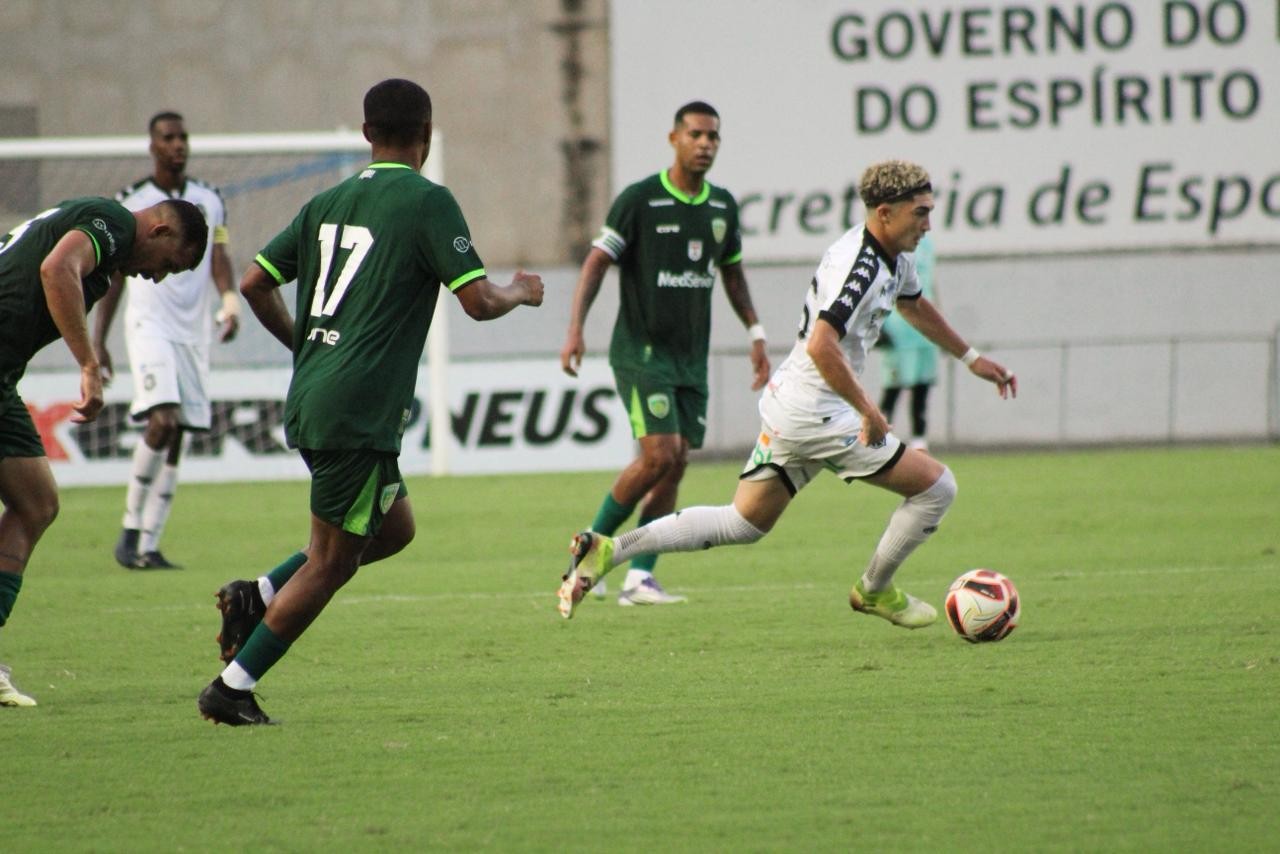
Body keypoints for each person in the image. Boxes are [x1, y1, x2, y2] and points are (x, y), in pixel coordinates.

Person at [197, 78, 544, 726]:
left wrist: (308, 348)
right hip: (357, 410)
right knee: (332, 563)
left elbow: (252, 282)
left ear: (365, 134)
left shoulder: (325, 202)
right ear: (427, 132)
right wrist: (520, 289)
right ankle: (232, 688)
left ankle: (258, 594)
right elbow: (477, 302)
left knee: (394, 527)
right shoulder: (427, 202)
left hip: (314, 395)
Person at [557, 159, 1016, 625]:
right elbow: (822, 344)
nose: (927, 223)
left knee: (741, 523)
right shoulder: (858, 267)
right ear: (884, 213)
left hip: (795, 404)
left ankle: (610, 550)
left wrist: (972, 358)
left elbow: (914, 305)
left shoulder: (893, 257)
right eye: (919, 212)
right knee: (937, 487)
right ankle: (874, 590)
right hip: (818, 413)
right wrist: (868, 409)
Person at [559, 101, 770, 607]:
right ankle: (587, 553)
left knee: (675, 463)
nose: (705, 144)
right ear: (673, 138)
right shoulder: (640, 201)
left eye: (713, 137)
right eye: (695, 134)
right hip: (641, 352)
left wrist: (756, 331)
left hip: (689, 359)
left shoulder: (722, 207)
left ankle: (640, 578)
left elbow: (732, 274)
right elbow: (595, 263)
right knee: (657, 455)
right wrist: (575, 329)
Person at [0, 196, 208, 705]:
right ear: (158, 231)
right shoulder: (112, 221)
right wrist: (89, 365)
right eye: (168, 265)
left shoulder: (108, 260)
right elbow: (56, 269)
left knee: (36, 504)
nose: (158, 279)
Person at [93, 111, 240, 570]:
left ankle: (150, 544)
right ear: (152, 146)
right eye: (168, 137)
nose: (178, 144)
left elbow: (218, 255)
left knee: (179, 434)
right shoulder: (132, 202)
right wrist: (99, 340)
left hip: (193, 333)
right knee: (162, 420)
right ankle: (130, 529)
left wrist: (230, 299)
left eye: (183, 137)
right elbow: (117, 273)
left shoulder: (210, 200)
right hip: (149, 326)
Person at [877, 231, 940, 451]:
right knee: (893, 387)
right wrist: (880, 326)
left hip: (924, 330)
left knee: (922, 387)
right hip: (897, 328)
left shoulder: (928, 245)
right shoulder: (890, 242)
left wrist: (940, 326)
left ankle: (920, 442)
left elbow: (931, 284)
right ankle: (880, 440)